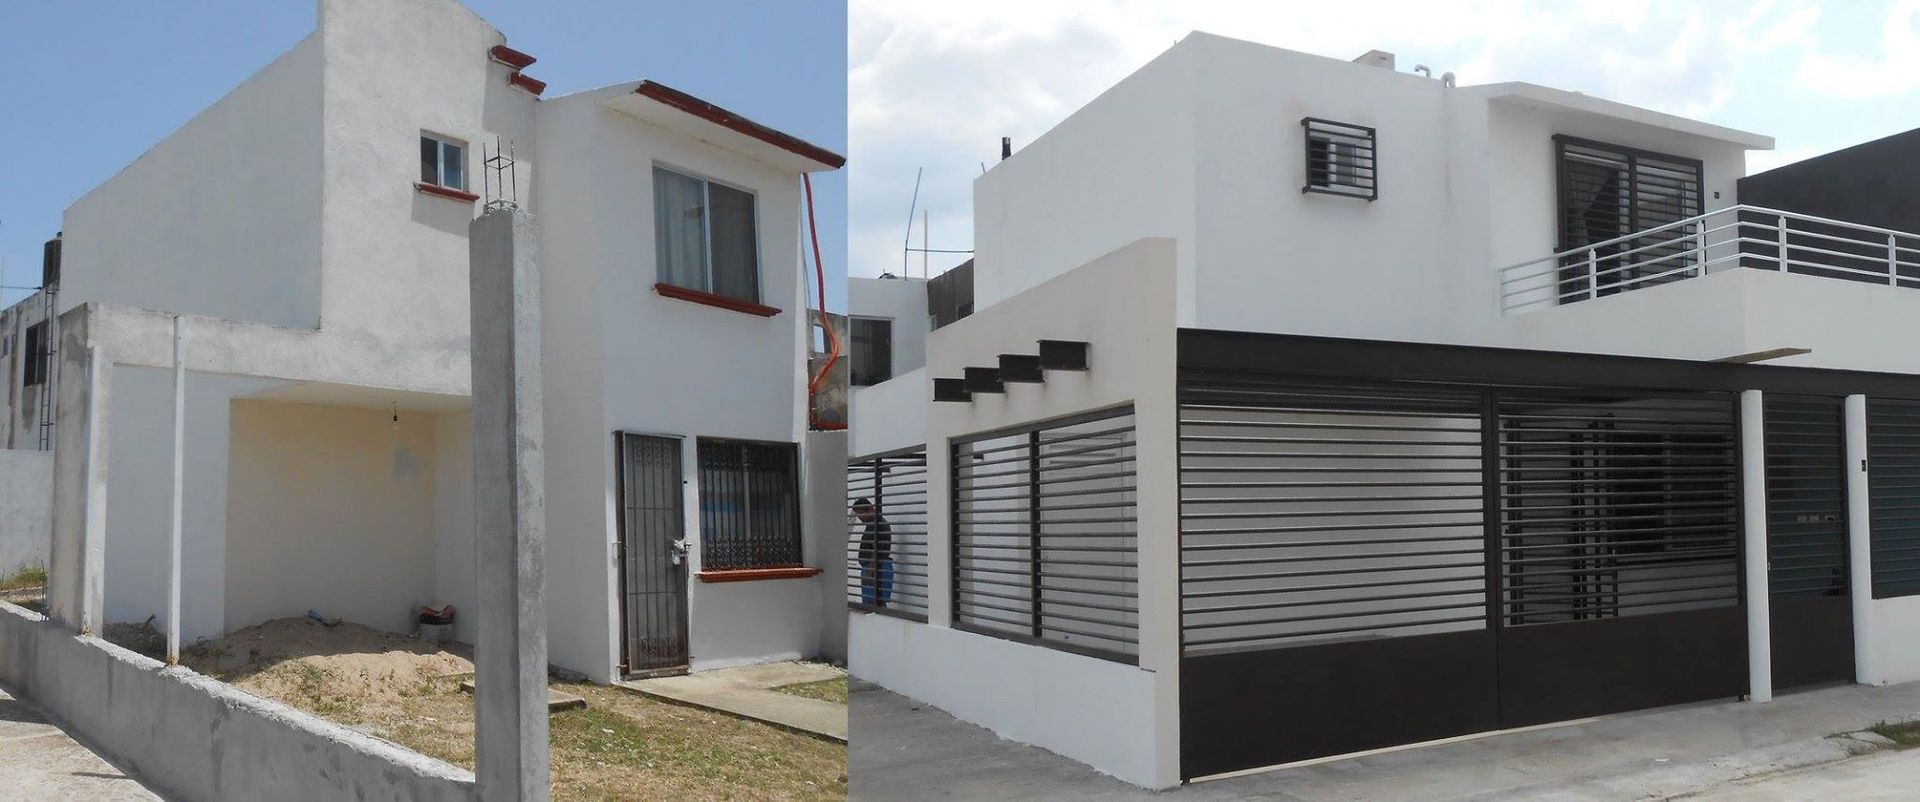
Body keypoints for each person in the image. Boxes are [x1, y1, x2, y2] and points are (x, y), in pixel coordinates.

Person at [852, 497, 893, 607]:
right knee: (877, 604)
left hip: (875, 568)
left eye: (860, 514)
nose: (859, 518)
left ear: (869, 509)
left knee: (873, 605)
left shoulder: (875, 524)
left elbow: (876, 549)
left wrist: (869, 572)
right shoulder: (878, 523)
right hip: (877, 567)